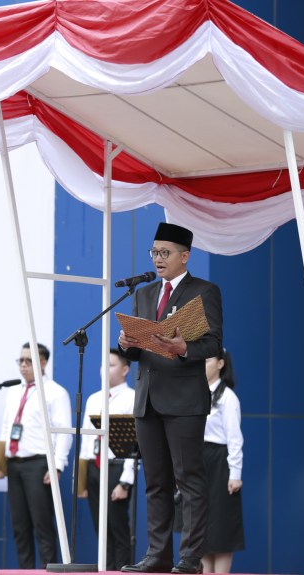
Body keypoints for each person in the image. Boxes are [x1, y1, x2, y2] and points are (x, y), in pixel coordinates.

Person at [119, 222, 223, 575]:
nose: (158, 259)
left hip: (184, 401)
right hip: (147, 399)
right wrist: (126, 344)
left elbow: (213, 343)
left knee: (189, 481)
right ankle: (158, 555)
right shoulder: (144, 294)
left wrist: (184, 348)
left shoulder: (204, 291)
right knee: (155, 483)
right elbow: (138, 351)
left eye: (165, 253)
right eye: (154, 252)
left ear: (185, 256)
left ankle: (190, 559)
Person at [0, 342, 72, 568]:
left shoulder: (55, 392)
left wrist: (57, 465)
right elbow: (6, 427)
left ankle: (48, 570)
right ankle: (25, 571)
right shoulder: (14, 391)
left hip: (38, 465)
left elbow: (63, 432)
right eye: (21, 360)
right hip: (14, 464)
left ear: (43, 362)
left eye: (29, 361)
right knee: (20, 527)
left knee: (42, 525)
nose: (23, 365)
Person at [78, 348, 136, 570]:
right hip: (94, 468)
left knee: (118, 528)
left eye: (111, 365)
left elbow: (134, 444)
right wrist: (81, 479)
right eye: (103, 365)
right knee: (100, 529)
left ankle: (121, 570)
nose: (105, 369)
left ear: (125, 370)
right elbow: (86, 440)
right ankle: (106, 570)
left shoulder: (132, 398)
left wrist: (125, 482)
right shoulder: (94, 399)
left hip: (116, 468)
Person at [200, 350, 244, 574]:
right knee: (201, 528)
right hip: (199, 461)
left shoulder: (227, 397)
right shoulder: (196, 392)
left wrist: (235, 474)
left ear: (220, 364)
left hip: (219, 464)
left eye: (207, 360)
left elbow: (234, 439)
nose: (202, 364)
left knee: (221, 529)